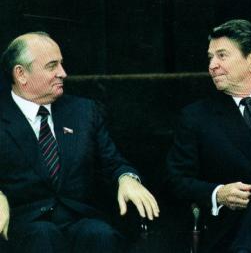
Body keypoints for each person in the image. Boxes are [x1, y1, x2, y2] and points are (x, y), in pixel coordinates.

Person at [0, 32, 159, 253]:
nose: (63, 73)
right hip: (24, 227)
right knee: (43, 236)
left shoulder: (83, 112)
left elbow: (113, 163)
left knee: (101, 235)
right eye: (52, 66)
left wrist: (126, 178)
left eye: (61, 64)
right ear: (21, 74)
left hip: (79, 220)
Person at [166, 19, 251, 253]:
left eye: (222, 55)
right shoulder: (197, 117)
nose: (212, 65)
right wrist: (218, 193)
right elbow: (175, 181)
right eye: (210, 57)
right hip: (238, 230)